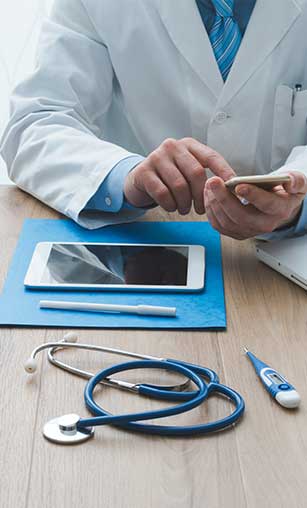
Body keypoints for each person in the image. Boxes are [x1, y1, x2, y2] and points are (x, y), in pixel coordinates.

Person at [1, 0, 307, 240]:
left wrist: (298, 203)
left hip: (287, 256)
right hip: (145, 246)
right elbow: (34, 124)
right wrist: (127, 176)